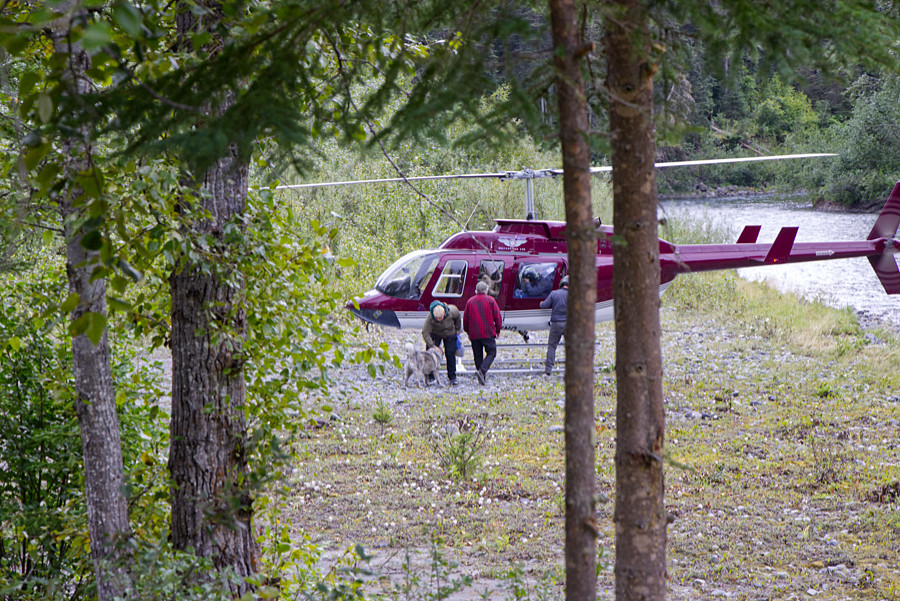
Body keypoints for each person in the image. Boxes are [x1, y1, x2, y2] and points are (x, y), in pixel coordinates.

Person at [464, 280, 503, 385]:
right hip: (488, 332)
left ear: (476, 291)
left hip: (474, 333)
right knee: (492, 352)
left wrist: (468, 332)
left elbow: (465, 319)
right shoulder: (491, 301)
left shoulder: (470, 301)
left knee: (478, 355)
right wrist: (498, 330)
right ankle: (482, 371)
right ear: (486, 290)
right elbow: (498, 317)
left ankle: (481, 376)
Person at [422, 300, 462, 385]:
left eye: (440, 318)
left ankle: (452, 377)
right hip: (435, 333)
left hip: (450, 333)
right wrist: (432, 345)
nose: (439, 319)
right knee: (430, 353)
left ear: (444, 313)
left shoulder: (452, 310)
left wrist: (457, 329)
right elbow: (425, 332)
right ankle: (430, 376)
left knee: (450, 354)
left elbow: (458, 318)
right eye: (437, 318)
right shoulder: (430, 318)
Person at [540, 275, 568, 375]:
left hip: (556, 323)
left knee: (552, 346)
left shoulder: (554, 293)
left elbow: (544, 305)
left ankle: (548, 369)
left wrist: (541, 303)